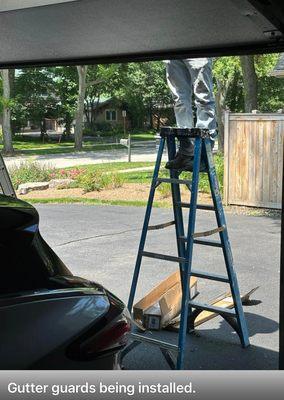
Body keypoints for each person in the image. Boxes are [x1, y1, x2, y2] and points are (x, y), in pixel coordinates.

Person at [164, 58, 217, 171]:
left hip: (197, 46)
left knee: (203, 97)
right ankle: (186, 152)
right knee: (179, 100)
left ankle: (204, 156)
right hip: (172, 48)